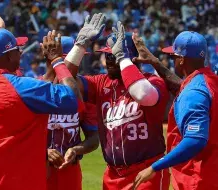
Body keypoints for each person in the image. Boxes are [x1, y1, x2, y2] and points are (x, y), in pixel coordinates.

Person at [64, 15, 170, 189]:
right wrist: (80, 45)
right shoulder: (101, 82)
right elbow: (65, 79)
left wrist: (122, 58)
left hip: (147, 171)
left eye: (114, 55)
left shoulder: (153, 81)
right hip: (112, 175)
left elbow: (144, 95)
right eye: (108, 56)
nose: (109, 61)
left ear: (131, 57)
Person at [0, 28, 83, 190]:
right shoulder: (21, 87)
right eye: (17, 50)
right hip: (16, 181)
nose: (21, 53)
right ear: (9, 56)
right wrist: (56, 60)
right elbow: (72, 99)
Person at [132, 31, 218, 190]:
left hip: (197, 179)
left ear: (181, 60)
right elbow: (187, 88)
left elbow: (195, 140)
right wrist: (155, 62)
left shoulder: (194, 92)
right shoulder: (210, 81)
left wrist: (155, 167)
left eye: (174, 56)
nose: (173, 60)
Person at [45, 36, 99, 190]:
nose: (78, 63)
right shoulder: (36, 87)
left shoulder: (85, 92)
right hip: (39, 168)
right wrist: (44, 151)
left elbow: (93, 138)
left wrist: (77, 149)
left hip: (69, 171)